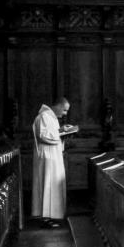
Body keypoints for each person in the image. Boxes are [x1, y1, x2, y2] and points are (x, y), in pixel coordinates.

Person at [31, 97, 78, 228]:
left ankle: (52, 216)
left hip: (52, 158)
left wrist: (64, 132)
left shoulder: (52, 118)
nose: (65, 114)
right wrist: (62, 132)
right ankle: (46, 218)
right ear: (57, 106)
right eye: (64, 110)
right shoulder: (44, 116)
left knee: (53, 187)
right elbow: (44, 135)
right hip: (47, 159)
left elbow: (53, 135)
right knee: (47, 186)